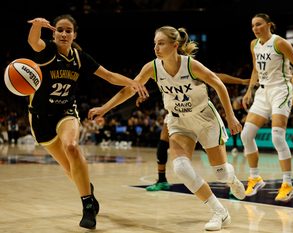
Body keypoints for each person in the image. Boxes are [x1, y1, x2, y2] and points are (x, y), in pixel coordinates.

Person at [89, 25, 246, 231]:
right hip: (178, 121)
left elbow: (219, 84)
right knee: (180, 168)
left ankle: (231, 179)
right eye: (155, 44)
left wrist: (231, 116)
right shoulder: (152, 67)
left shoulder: (191, 65)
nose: (156, 48)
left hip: (204, 118)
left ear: (175, 45)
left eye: (161, 43)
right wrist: (105, 108)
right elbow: (130, 90)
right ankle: (219, 211)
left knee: (221, 174)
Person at [26, 15, 148, 229]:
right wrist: (36, 26)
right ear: (53, 34)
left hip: (66, 111)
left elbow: (109, 76)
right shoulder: (47, 52)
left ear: (74, 34)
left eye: (68, 30)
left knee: (72, 147)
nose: (64, 34)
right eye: (60, 30)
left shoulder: (79, 57)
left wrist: (134, 82)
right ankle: (88, 191)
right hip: (40, 118)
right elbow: (34, 42)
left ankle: (87, 207)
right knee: (69, 168)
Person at [139, 75, 249, 192]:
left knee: (217, 164)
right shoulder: (160, 68)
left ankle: (228, 176)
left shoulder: (190, 67)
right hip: (175, 114)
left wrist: (241, 81)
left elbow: (217, 77)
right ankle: (162, 179)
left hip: (199, 114)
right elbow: (141, 80)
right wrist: (141, 93)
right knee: (163, 142)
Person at [241, 13, 293, 202]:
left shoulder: (280, 43)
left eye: (259, 24)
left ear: (269, 25)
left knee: (277, 136)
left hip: (280, 90)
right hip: (262, 92)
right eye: (253, 25)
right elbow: (255, 69)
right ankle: (255, 177)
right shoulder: (254, 44)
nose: (255, 28)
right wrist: (249, 90)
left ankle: (287, 184)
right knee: (246, 135)